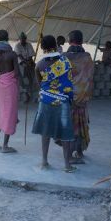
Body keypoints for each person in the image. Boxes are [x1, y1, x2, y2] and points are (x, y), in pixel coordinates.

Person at [32, 35, 76, 172]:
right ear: (56, 45)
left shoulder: (39, 65)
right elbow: (69, 82)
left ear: (43, 48)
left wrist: (48, 92)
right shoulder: (65, 62)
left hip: (45, 101)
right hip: (62, 101)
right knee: (65, 133)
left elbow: (39, 84)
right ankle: (67, 165)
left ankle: (44, 162)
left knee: (45, 132)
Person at [64, 30, 94, 162]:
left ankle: (69, 155)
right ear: (81, 41)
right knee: (81, 124)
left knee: (70, 125)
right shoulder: (87, 57)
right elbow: (90, 77)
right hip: (82, 96)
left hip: (68, 96)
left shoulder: (64, 56)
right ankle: (79, 152)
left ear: (69, 41)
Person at [0, 30, 20, 153]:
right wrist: (22, 88)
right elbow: (17, 73)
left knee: (2, 114)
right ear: (8, 39)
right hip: (10, 86)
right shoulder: (12, 54)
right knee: (10, 114)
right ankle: (5, 146)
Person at [14, 31, 36, 103]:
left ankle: (31, 90)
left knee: (32, 76)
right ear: (19, 39)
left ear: (25, 38)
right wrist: (26, 62)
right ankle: (26, 93)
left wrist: (29, 62)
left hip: (28, 62)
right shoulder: (17, 46)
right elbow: (19, 56)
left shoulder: (29, 44)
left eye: (24, 38)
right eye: (21, 38)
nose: (23, 40)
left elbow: (30, 55)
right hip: (21, 63)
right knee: (22, 78)